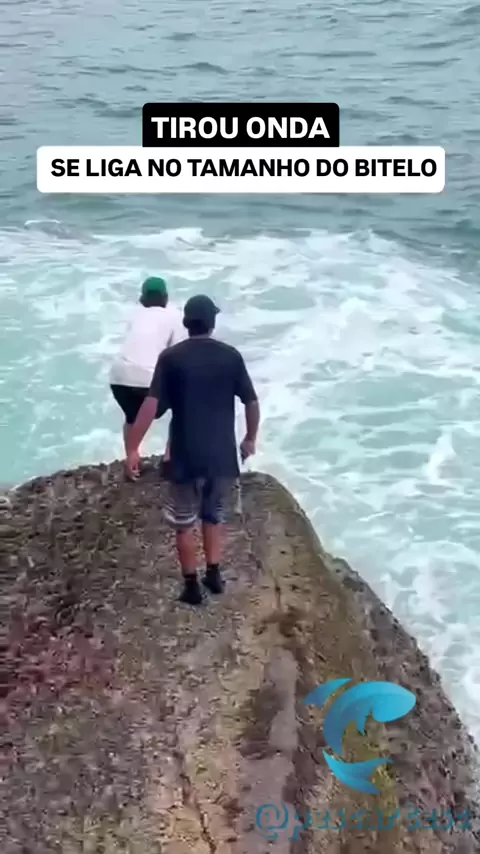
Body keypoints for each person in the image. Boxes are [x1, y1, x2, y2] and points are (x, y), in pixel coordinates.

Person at [125, 294, 260, 605]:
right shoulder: (231, 356)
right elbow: (251, 402)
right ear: (211, 323)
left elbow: (151, 405)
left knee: (183, 521)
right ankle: (214, 574)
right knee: (214, 515)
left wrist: (134, 447)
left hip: (185, 456)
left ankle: (191, 587)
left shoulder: (171, 358)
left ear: (186, 323)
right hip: (222, 457)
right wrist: (250, 438)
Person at [109, 276, 184, 475]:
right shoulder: (174, 315)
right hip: (147, 381)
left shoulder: (134, 314)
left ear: (142, 299)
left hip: (118, 378)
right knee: (182, 406)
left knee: (131, 417)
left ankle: (132, 460)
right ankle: (169, 459)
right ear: (165, 297)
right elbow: (176, 353)